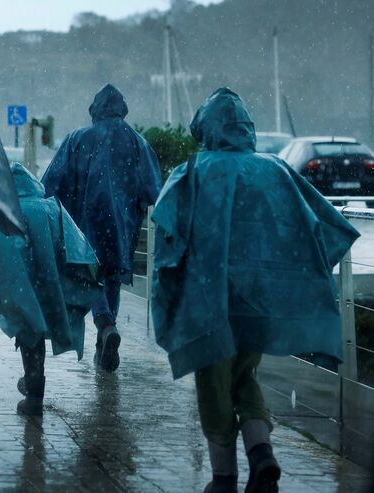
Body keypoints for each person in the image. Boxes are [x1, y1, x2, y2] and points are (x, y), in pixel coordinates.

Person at [151, 88, 358, 493]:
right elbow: (326, 227)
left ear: (207, 129)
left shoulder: (192, 172)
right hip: (260, 300)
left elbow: (167, 239)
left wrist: (168, 293)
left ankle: (223, 477)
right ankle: (261, 452)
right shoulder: (276, 170)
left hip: (206, 300)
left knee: (213, 385)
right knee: (244, 376)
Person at [41, 84, 161, 371]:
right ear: (122, 110)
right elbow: (154, 189)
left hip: (86, 221)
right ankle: (104, 339)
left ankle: (105, 324)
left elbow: (51, 183)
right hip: (122, 223)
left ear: (94, 111)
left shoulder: (78, 139)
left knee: (90, 276)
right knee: (113, 277)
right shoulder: (137, 142)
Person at [0, 162, 99, 416]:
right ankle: (33, 387)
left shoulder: (5, 212)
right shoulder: (50, 208)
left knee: (30, 333)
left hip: (21, 286)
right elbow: (76, 248)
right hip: (49, 285)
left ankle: (34, 394)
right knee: (42, 326)